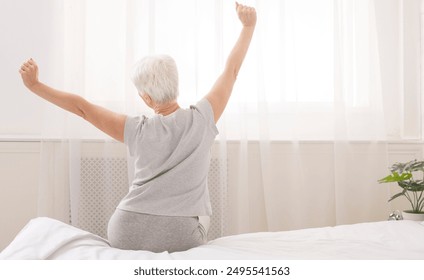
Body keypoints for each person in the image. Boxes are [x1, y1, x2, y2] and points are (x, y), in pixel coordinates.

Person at [19, 2, 256, 252]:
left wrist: (36, 86)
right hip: (180, 235)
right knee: (203, 218)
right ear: (177, 85)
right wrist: (248, 27)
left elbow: (83, 108)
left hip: (126, 230)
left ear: (146, 98)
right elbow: (231, 71)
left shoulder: (136, 129)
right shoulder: (202, 119)